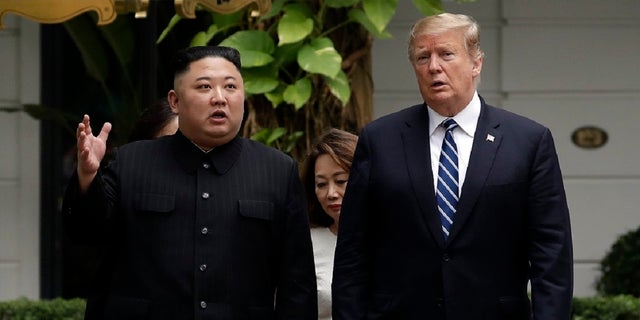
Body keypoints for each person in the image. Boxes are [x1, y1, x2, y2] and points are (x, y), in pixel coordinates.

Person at [332, 13, 573, 319]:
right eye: (423, 57)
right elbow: (353, 252)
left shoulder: (528, 141)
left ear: (476, 63)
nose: (434, 66)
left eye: (446, 54)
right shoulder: (379, 141)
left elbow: (551, 254)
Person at [62, 46, 318, 319]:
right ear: (175, 101)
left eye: (230, 87)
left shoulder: (277, 170)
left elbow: (297, 284)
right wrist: (88, 175)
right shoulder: (131, 162)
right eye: (205, 87)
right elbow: (84, 232)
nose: (219, 98)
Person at [301, 128, 357, 320]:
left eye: (341, 181)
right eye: (322, 184)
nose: (331, 193)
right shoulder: (306, 243)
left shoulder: (396, 239)